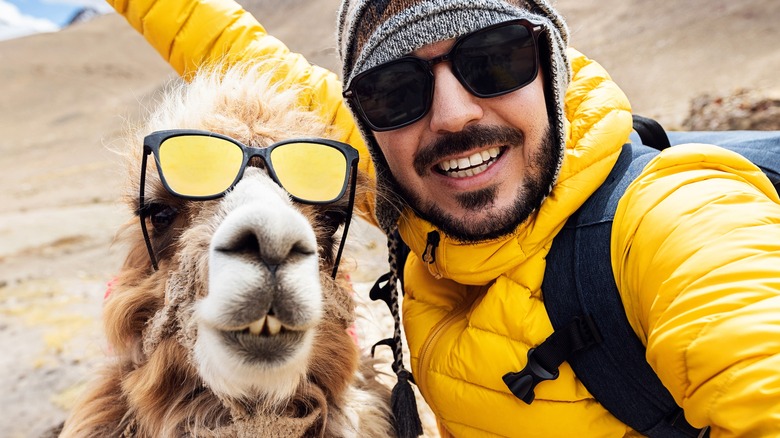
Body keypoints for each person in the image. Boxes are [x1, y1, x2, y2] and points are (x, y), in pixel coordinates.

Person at [107, 0, 780, 436]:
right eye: (394, 89)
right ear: (370, 127)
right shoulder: (416, 192)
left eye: (495, 61)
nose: (454, 115)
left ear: (552, 72)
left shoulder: (682, 223)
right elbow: (229, 45)